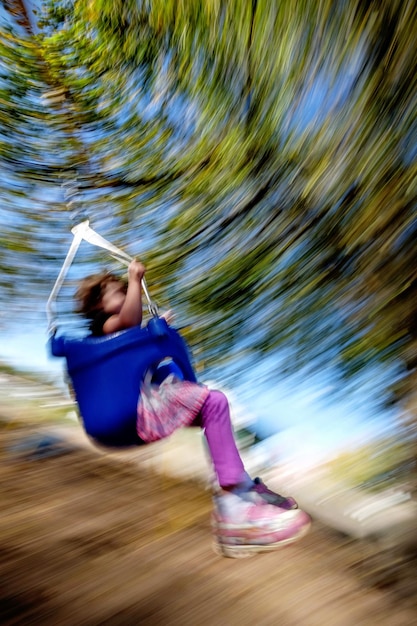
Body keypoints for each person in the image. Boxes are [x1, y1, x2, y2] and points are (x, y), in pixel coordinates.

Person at [75, 260, 311, 557]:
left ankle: (242, 490)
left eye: (124, 290)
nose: (123, 294)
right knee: (214, 400)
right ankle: (233, 505)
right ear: (97, 305)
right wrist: (136, 280)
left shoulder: (125, 338)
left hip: (144, 410)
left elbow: (155, 361)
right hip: (133, 412)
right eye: (115, 292)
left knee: (215, 406)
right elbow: (129, 322)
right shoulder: (106, 330)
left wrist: (159, 334)